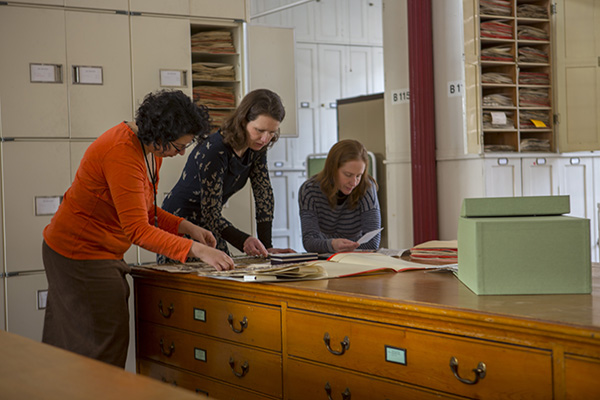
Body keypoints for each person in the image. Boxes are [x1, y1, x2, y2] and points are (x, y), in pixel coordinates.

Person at [42, 90, 234, 368]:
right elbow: (137, 230)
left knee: (80, 345)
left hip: (96, 250)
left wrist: (185, 226)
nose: (180, 154)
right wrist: (197, 250)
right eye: (178, 146)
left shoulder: (149, 150)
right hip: (78, 253)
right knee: (102, 347)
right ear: (160, 135)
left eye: (185, 147)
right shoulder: (121, 152)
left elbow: (141, 208)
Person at [159, 88, 294, 261]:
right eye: (259, 130)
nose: (265, 139)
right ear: (243, 121)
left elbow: (264, 195)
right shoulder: (215, 150)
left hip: (211, 223)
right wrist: (244, 240)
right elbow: (210, 212)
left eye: (272, 132)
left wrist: (267, 246)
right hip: (181, 221)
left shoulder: (257, 148)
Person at [298, 139, 381, 253]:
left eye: (358, 175)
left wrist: (335, 245)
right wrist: (332, 244)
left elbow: (373, 242)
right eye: (348, 175)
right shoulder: (309, 190)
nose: (354, 182)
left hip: (358, 259)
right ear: (332, 169)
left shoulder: (366, 187)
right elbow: (309, 241)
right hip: (324, 260)